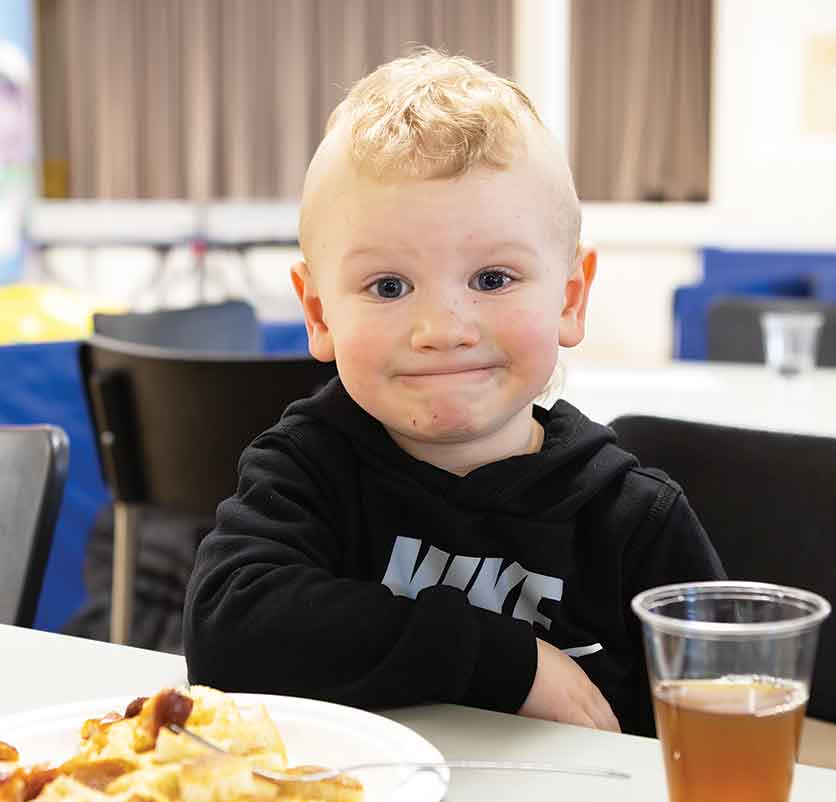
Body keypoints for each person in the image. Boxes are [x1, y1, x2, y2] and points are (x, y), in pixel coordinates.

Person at [184, 49, 724, 737]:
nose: (442, 330)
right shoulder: (307, 468)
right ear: (319, 314)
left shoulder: (630, 520)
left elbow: (709, 724)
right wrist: (506, 662)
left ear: (570, 299)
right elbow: (226, 634)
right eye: (389, 287)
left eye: (493, 279)